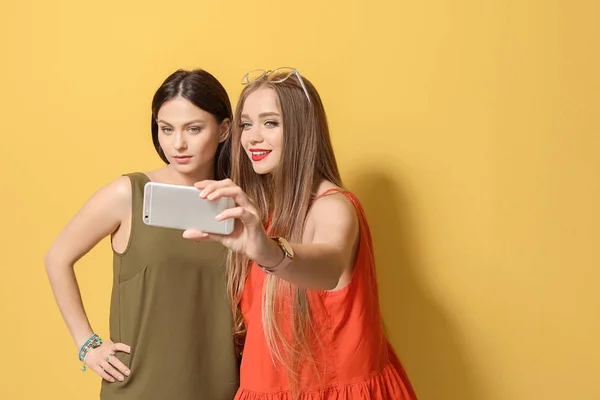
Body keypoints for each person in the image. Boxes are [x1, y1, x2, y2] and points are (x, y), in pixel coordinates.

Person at [183, 67, 418, 399]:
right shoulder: (261, 213)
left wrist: (269, 253)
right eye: (246, 125)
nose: (252, 137)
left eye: (271, 123)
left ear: (303, 131)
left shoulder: (333, 206)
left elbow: (330, 264)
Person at [45, 69, 240, 400]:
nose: (177, 143)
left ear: (223, 129)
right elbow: (57, 258)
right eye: (166, 129)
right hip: (139, 388)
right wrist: (87, 344)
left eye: (193, 129)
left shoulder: (238, 203)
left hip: (223, 387)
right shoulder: (129, 194)